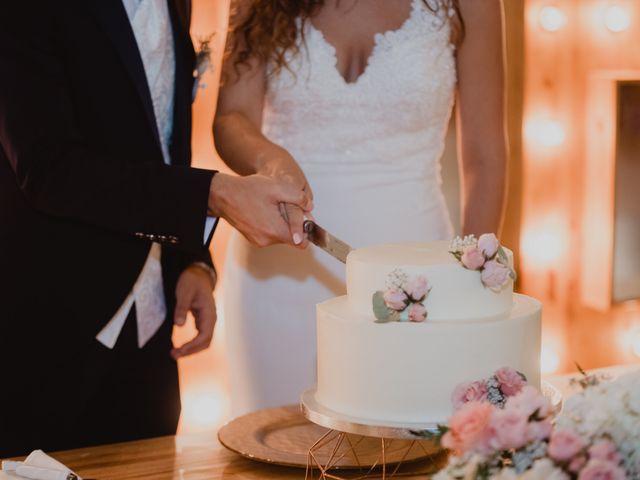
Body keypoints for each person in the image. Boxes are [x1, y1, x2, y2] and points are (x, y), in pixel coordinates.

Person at [0, 0, 311, 457]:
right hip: (49, 328)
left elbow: (158, 137)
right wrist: (214, 194)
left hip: (150, 334)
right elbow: (49, 170)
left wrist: (191, 261)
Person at [214, 0, 508, 416]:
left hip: (414, 278)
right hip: (279, 267)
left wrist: (472, 286)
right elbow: (231, 119)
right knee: (276, 451)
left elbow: (485, 160)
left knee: (407, 446)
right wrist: (271, 161)